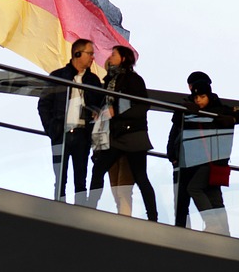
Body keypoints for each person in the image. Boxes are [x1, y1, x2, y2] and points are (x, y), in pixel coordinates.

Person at [166, 79, 239, 235]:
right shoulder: (188, 107)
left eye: (202, 96)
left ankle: (215, 226)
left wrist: (233, 119)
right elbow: (176, 126)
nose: (198, 100)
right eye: (196, 96)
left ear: (209, 95)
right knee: (212, 196)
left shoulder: (220, 110)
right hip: (195, 161)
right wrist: (171, 155)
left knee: (196, 190)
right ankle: (223, 232)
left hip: (211, 161)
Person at [86, 45, 158, 220]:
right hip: (115, 136)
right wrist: (99, 111)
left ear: (124, 58)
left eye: (114, 54)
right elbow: (108, 104)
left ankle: (153, 218)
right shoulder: (110, 80)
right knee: (98, 170)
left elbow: (141, 105)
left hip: (132, 136)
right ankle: (89, 208)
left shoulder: (133, 79)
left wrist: (115, 112)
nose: (110, 56)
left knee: (140, 177)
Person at [37, 38, 103, 202]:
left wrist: (95, 112)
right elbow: (44, 104)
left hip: (83, 135)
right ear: (77, 53)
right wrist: (52, 128)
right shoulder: (58, 76)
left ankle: (79, 215)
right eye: (90, 53)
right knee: (60, 180)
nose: (92, 58)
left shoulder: (93, 81)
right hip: (61, 133)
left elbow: (100, 105)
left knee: (81, 181)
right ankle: (59, 213)